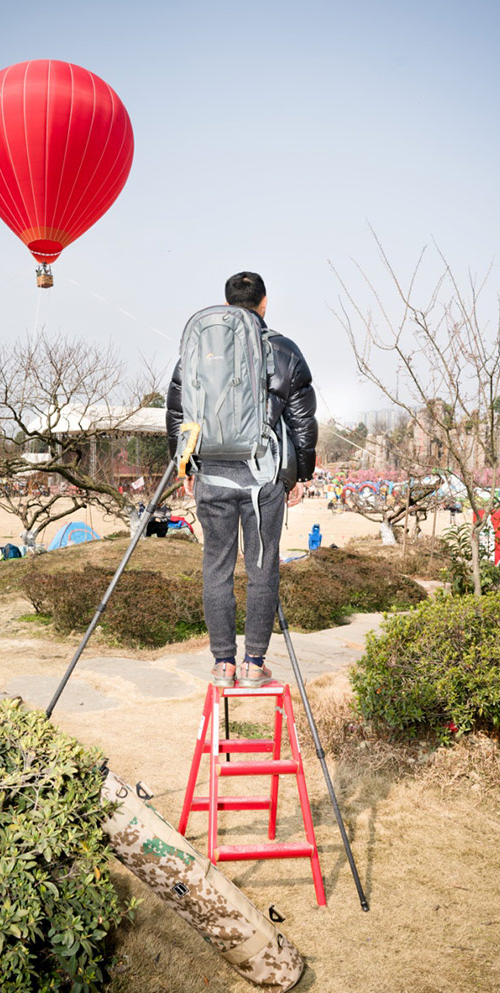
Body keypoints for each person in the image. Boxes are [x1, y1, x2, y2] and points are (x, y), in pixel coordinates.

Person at [166, 271, 317, 689]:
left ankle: (222, 664)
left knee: (216, 566)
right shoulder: (284, 350)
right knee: (262, 567)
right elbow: (303, 420)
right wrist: (301, 474)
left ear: (226, 306)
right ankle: (253, 665)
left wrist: (184, 466)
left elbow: (177, 410)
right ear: (264, 304)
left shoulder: (198, 350)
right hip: (262, 479)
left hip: (212, 474)